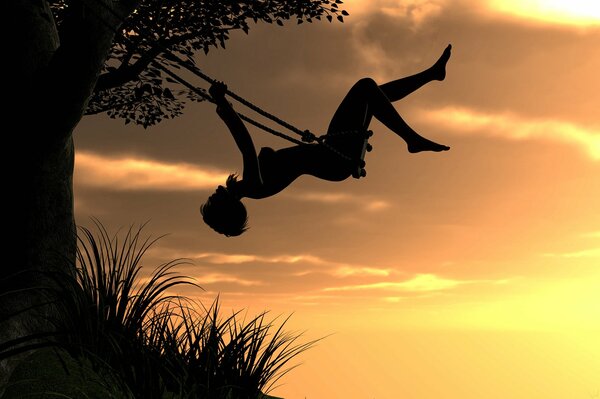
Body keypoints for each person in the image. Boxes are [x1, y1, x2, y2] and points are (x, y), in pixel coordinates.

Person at [201, 44, 452, 236]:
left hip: (332, 155)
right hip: (334, 157)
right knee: (365, 88)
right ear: (226, 208)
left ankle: (432, 74)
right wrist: (222, 103)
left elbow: (256, 149)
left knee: (373, 96)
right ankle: (412, 139)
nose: (212, 194)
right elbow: (246, 145)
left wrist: (223, 106)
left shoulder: (251, 187)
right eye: (213, 201)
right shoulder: (253, 187)